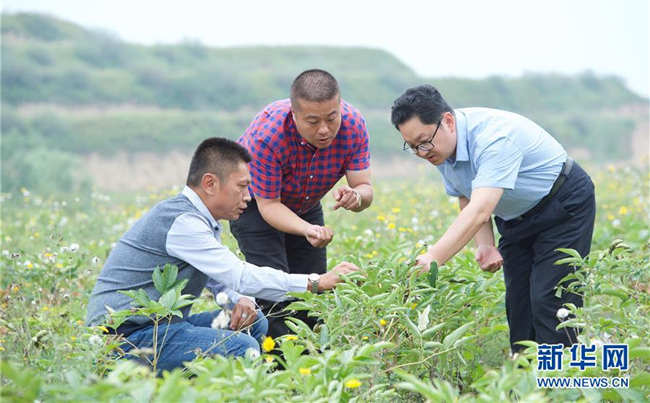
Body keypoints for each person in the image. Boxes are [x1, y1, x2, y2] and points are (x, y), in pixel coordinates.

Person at [85, 137, 359, 372]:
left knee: (253, 322)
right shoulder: (183, 222)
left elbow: (221, 281)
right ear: (210, 183)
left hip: (157, 327)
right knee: (242, 347)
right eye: (242, 186)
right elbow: (240, 275)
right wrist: (315, 282)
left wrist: (241, 300)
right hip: (122, 339)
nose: (248, 196)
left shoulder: (197, 219)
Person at [390, 84, 596, 353]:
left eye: (424, 142)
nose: (421, 152)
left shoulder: (495, 138)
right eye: (413, 147)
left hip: (561, 204)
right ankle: (523, 374)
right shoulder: (440, 147)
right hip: (515, 217)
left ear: (448, 121)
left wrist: (433, 258)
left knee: (551, 299)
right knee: (519, 303)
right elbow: (466, 195)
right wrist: (485, 244)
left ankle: (562, 374)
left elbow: (480, 210)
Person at [227, 69, 374, 338]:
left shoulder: (353, 125)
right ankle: (275, 358)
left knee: (314, 289)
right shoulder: (268, 135)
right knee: (273, 292)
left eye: (331, 118)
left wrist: (357, 196)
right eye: (313, 121)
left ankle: (310, 356)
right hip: (255, 205)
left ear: (339, 106)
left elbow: (365, 188)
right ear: (294, 114)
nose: (324, 129)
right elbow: (269, 206)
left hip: (306, 204)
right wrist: (308, 229)